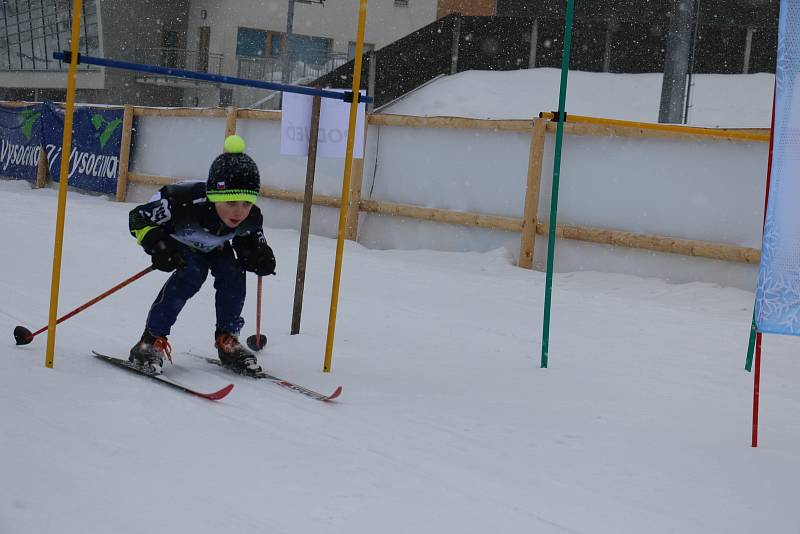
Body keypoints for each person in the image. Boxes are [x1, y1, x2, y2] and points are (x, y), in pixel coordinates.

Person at [127, 135, 276, 375]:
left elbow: (249, 240)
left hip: (214, 245)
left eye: (246, 203)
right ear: (214, 196)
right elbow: (137, 218)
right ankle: (150, 340)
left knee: (233, 272)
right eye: (231, 202)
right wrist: (157, 245)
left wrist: (258, 255)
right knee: (192, 273)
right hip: (177, 240)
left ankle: (227, 339)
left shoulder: (250, 217)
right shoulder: (183, 203)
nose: (239, 211)